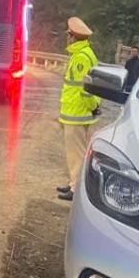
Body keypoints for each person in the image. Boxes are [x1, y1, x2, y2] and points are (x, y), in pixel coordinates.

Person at [56, 16, 100, 201]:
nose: (68, 38)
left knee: (77, 153)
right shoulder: (81, 54)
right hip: (74, 112)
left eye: (69, 35)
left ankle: (78, 189)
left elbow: (86, 89)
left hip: (78, 113)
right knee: (74, 153)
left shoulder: (81, 57)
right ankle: (74, 183)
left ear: (73, 37)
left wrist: (93, 107)